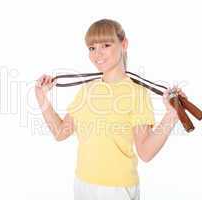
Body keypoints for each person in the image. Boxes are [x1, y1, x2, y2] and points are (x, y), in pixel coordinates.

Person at [35, 18, 187, 200]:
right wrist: (41, 97)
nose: (97, 54)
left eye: (105, 45)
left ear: (124, 44)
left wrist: (171, 115)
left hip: (117, 190)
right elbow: (60, 132)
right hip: (82, 184)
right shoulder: (87, 90)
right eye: (92, 48)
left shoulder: (136, 93)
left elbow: (145, 152)